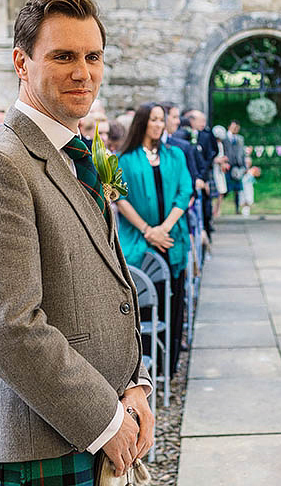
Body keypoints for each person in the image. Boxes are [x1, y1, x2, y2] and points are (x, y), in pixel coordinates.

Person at [0, 0, 153, 482]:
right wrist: (105, 422)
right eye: (63, 56)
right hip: (37, 447)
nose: (83, 72)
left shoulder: (76, 153)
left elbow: (109, 292)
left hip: (103, 427)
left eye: (92, 56)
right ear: (22, 61)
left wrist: (137, 386)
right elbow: (10, 326)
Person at [115, 103, 192, 377]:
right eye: (154, 120)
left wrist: (165, 229)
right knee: (144, 305)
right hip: (139, 239)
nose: (159, 125)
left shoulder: (176, 155)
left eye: (162, 120)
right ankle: (141, 370)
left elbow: (185, 192)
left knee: (173, 301)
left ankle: (167, 366)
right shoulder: (126, 159)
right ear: (142, 123)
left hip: (172, 239)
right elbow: (120, 197)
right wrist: (149, 230)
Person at [223, 120, 246, 213]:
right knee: (225, 188)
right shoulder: (225, 138)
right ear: (229, 127)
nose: (235, 129)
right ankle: (219, 207)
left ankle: (237, 208)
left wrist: (244, 166)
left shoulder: (240, 139)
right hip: (228, 165)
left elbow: (242, 153)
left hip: (238, 166)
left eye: (237, 127)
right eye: (233, 127)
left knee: (237, 190)